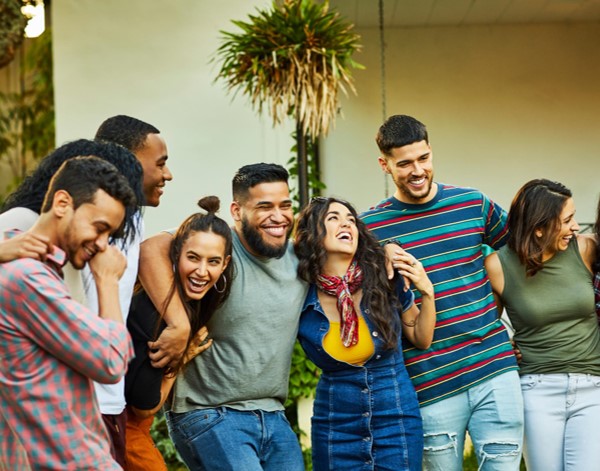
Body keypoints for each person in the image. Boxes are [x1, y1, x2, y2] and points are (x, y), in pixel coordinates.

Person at [361, 115, 523, 470]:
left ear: (431, 151)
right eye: (404, 164)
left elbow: (521, 258)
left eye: (423, 158)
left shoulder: (473, 204)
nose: (417, 170)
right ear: (384, 165)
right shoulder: (369, 228)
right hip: (429, 380)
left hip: (493, 366)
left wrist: (514, 323)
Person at [139, 163, 308, 470]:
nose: (279, 217)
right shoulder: (217, 251)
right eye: (264, 207)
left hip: (273, 413)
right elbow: (150, 250)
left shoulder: (299, 260)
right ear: (236, 210)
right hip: (210, 413)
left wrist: (386, 251)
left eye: (285, 206)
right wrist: (180, 323)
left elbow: (347, 247)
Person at [0, 156, 137, 469]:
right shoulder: (28, 279)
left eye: (110, 235)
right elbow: (110, 361)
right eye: (99, 227)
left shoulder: (28, 268)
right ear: (62, 202)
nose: (103, 245)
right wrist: (107, 281)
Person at [294, 196, 436, 470]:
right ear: (313, 232)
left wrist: (427, 292)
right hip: (335, 425)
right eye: (333, 218)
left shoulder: (384, 279)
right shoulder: (299, 294)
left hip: (395, 418)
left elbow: (421, 337)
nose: (345, 223)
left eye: (350, 219)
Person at [484, 179, 600, 470]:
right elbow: (487, 328)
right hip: (537, 389)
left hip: (592, 385)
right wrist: (507, 347)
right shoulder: (499, 266)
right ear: (539, 228)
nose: (576, 227)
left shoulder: (585, 250)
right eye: (568, 220)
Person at [124, 196, 233, 470]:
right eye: (193, 258)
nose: (201, 271)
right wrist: (182, 357)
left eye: (213, 261)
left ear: (225, 264)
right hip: (122, 428)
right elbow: (144, 407)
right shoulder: (158, 316)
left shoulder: (185, 304)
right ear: (176, 255)